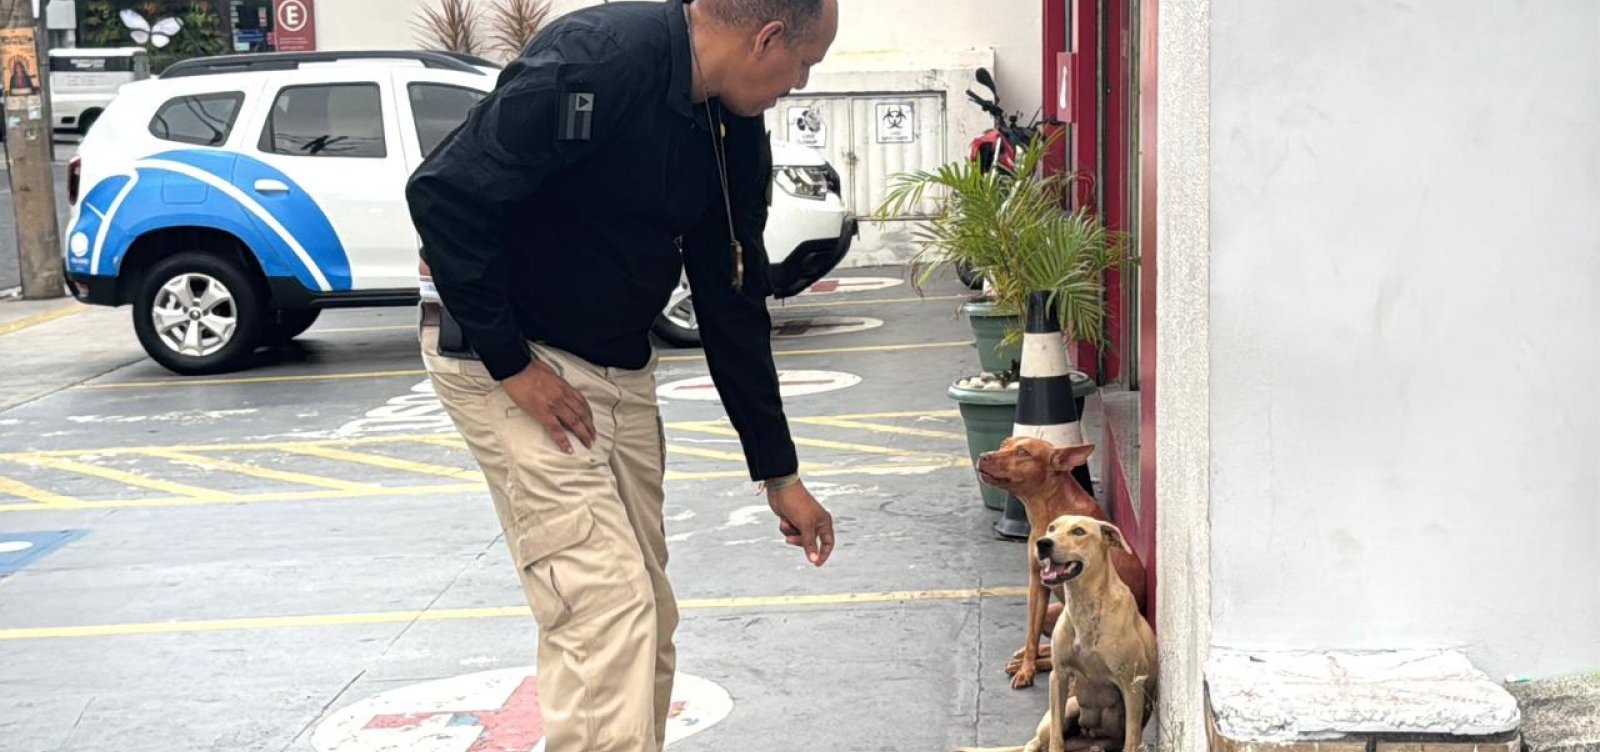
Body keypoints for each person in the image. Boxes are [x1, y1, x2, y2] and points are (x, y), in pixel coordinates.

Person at [404, 0, 841, 749]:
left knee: (648, 611)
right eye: (803, 64)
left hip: (616, 362)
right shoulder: (597, 61)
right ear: (765, 38)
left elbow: (730, 295)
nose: (798, 84)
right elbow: (443, 197)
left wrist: (779, 472)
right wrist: (515, 368)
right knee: (606, 607)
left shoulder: (728, 122)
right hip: (506, 357)